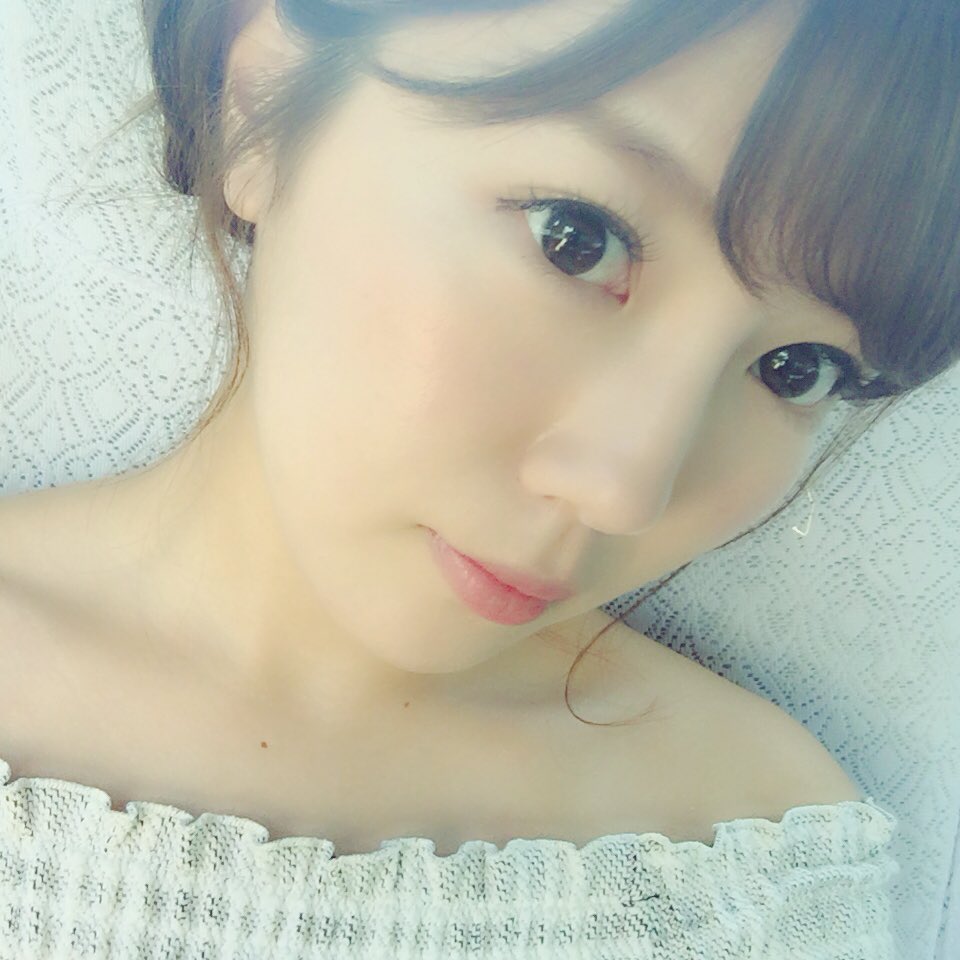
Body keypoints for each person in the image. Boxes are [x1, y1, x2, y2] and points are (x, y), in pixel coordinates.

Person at [0, 0, 956, 955]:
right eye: (575, 237)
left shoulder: (753, 876)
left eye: (799, 369)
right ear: (258, 94)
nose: (624, 492)